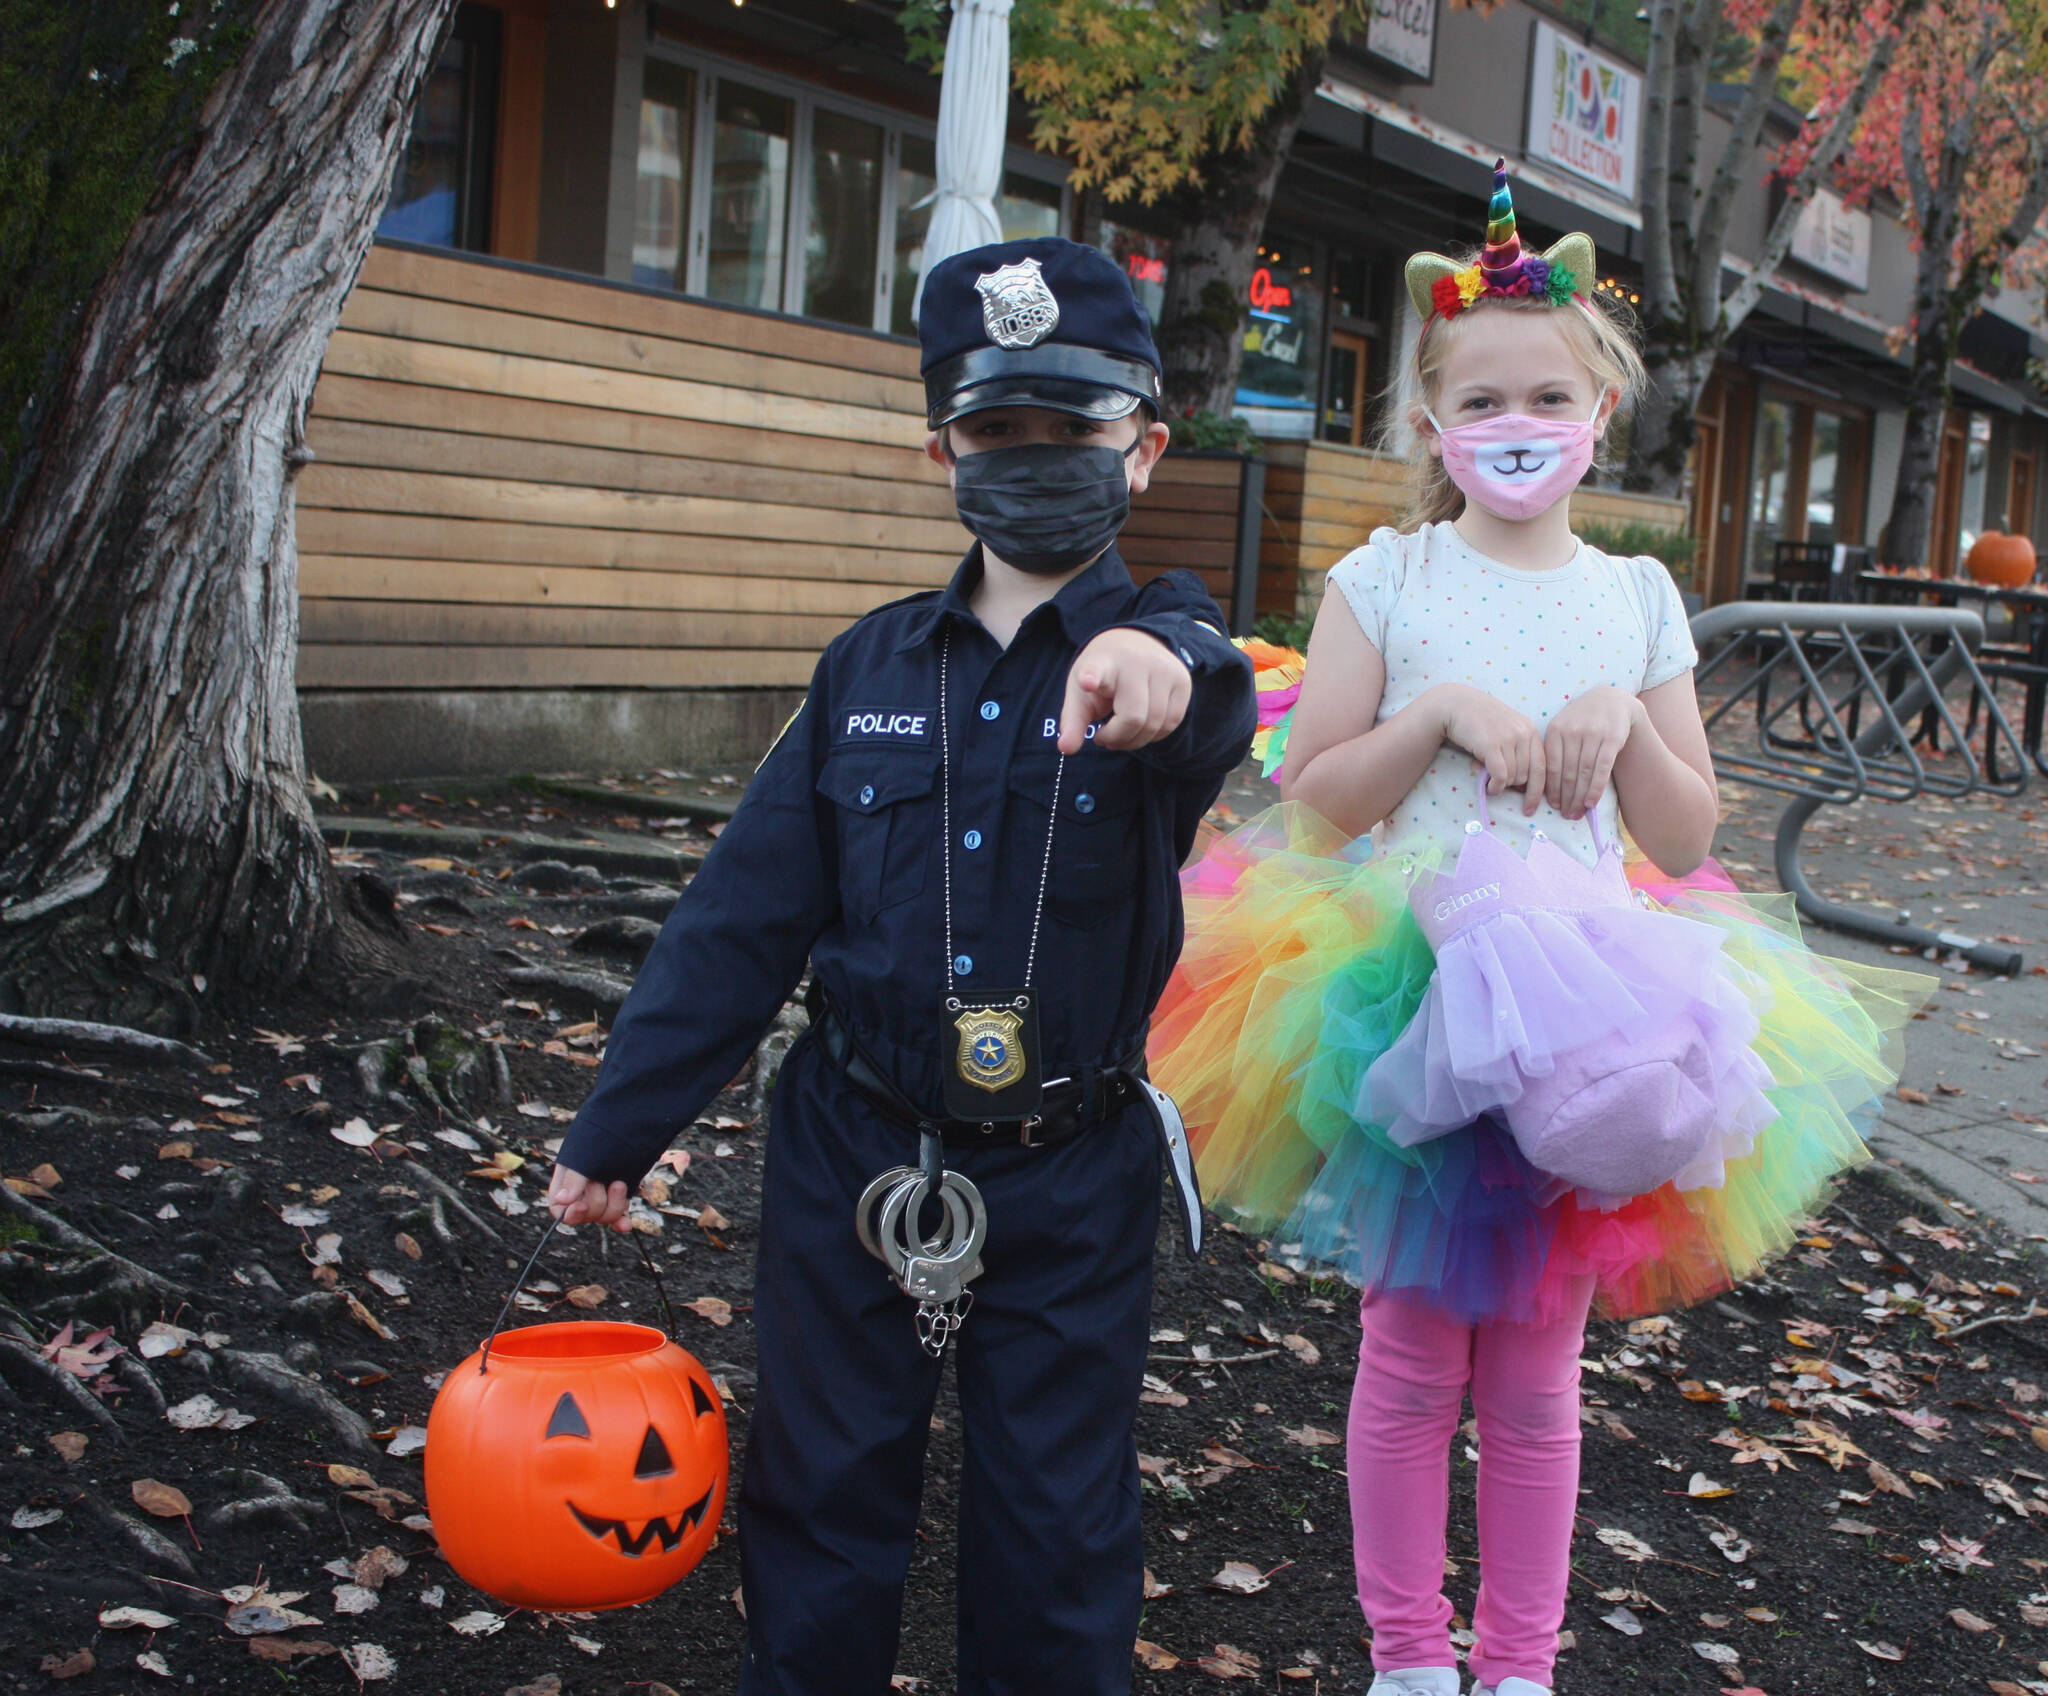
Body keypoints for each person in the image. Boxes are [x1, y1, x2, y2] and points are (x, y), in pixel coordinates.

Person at [1146, 164, 1931, 1696]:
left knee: (1538, 1377)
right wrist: (1439, 712)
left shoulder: (1635, 594)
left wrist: (1609, 725)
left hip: (1591, 1020)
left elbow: (1690, 830)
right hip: (1411, 996)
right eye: (1483, 397)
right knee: (1411, 1358)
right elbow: (1312, 801)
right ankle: (1407, 1657)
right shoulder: (1390, 576)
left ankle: (1518, 1666)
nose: (1518, 420)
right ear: (1433, 423)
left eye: (1549, 394)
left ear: (1598, 413)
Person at [544, 236, 1255, 1695]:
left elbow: (1210, 696)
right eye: (1001, 429)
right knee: (821, 1500)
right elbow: (743, 915)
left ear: (1145, 449)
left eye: (1075, 429)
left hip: (1070, 1173)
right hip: (852, 1155)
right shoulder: (866, 671)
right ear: (944, 447)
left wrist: (1163, 669)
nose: (1034, 457)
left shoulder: (1162, 644)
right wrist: (619, 1127)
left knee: (1057, 1534)